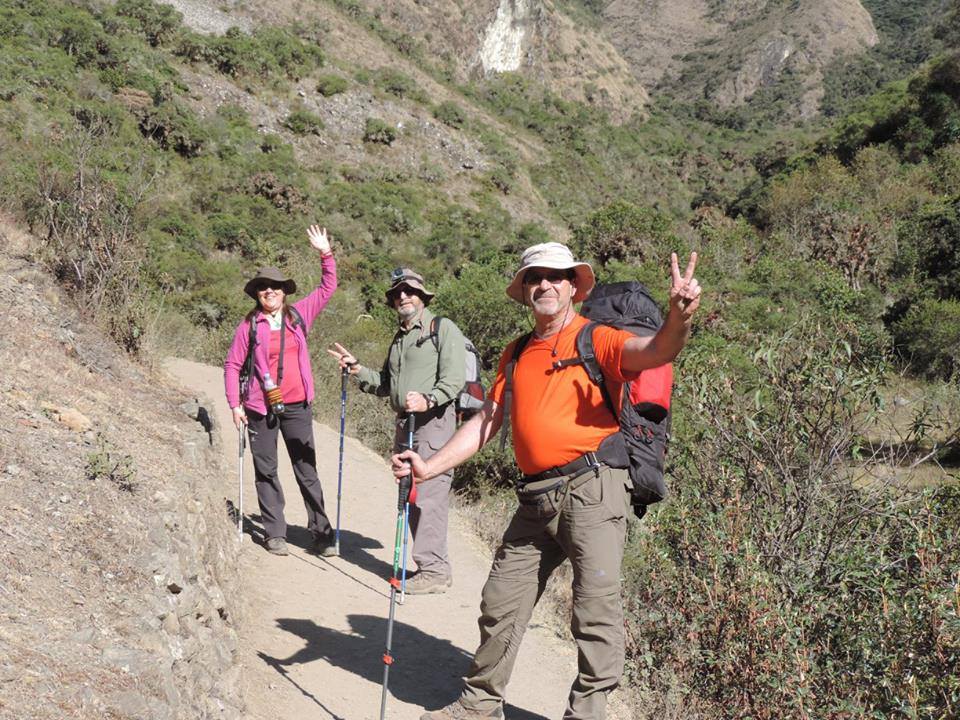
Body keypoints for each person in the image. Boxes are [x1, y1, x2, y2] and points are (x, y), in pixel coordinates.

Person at [391, 242, 702, 720]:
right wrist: (430, 467)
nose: (544, 285)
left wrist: (678, 316)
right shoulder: (516, 353)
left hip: (593, 488)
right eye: (534, 277)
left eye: (555, 276)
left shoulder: (596, 338)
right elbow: (488, 420)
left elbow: (657, 350)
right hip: (535, 496)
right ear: (525, 290)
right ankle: (479, 706)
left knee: (594, 611)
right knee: (500, 601)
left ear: (573, 286)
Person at [328, 267, 466, 594]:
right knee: (410, 493)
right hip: (405, 424)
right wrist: (358, 370)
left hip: (434, 423)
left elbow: (454, 378)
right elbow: (387, 386)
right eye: (397, 294)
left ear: (422, 296)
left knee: (428, 495)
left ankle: (434, 571)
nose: (403, 297)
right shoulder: (400, 338)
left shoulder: (442, 328)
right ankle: (431, 567)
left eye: (410, 291)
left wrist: (429, 398)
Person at [223, 225, 338, 557]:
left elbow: (328, 287)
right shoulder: (249, 326)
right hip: (260, 408)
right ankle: (275, 533)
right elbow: (232, 365)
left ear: (284, 292)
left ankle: (322, 534)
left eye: (275, 286)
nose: (269, 291)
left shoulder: (298, 315)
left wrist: (325, 252)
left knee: (306, 469)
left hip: (298, 406)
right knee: (266, 469)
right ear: (257, 295)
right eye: (263, 288)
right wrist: (235, 404)